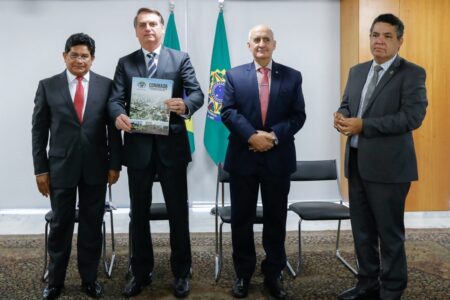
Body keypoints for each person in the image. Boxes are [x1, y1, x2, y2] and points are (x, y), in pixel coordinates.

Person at [107, 7, 204, 298]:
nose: (148, 29)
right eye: (142, 25)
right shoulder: (126, 63)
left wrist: (185, 105)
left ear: (161, 29)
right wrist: (117, 116)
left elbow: (197, 92)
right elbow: (115, 100)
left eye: (153, 24)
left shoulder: (180, 58)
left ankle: (181, 272)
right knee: (138, 213)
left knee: (178, 212)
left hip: (171, 147)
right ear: (136, 31)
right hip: (137, 149)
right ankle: (140, 271)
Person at [334, 14, 427, 300]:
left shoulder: (412, 73)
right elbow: (348, 104)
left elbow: (412, 117)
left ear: (400, 41)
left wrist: (364, 125)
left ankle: (392, 289)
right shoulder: (357, 71)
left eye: (387, 36)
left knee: (389, 235)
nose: (379, 41)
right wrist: (342, 116)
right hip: (357, 165)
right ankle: (367, 284)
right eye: (375, 35)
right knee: (362, 233)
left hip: (389, 169)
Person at [31, 33, 121, 300]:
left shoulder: (107, 86)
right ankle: (55, 282)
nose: (79, 60)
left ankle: (89, 279)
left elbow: (114, 131)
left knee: (92, 226)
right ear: (64, 56)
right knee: (60, 226)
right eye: (74, 55)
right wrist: (40, 170)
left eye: (85, 56)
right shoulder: (48, 86)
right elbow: (38, 131)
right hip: (60, 168)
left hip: (96, 167)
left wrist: (114, 163)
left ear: (92, 59)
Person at [221, 25, 306, 299]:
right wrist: (251, 136)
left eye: (266, 39)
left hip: (277, 159)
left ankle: (273, 274)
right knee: (241, 220)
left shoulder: (292, 77)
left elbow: (298, 116)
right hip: (243, 159)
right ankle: (243, 274)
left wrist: (272, 136)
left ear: (274, 44)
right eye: (256, 40)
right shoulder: (233, 75)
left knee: (275, 219)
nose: (261, 44)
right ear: (249, 46)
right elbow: (228, 112)